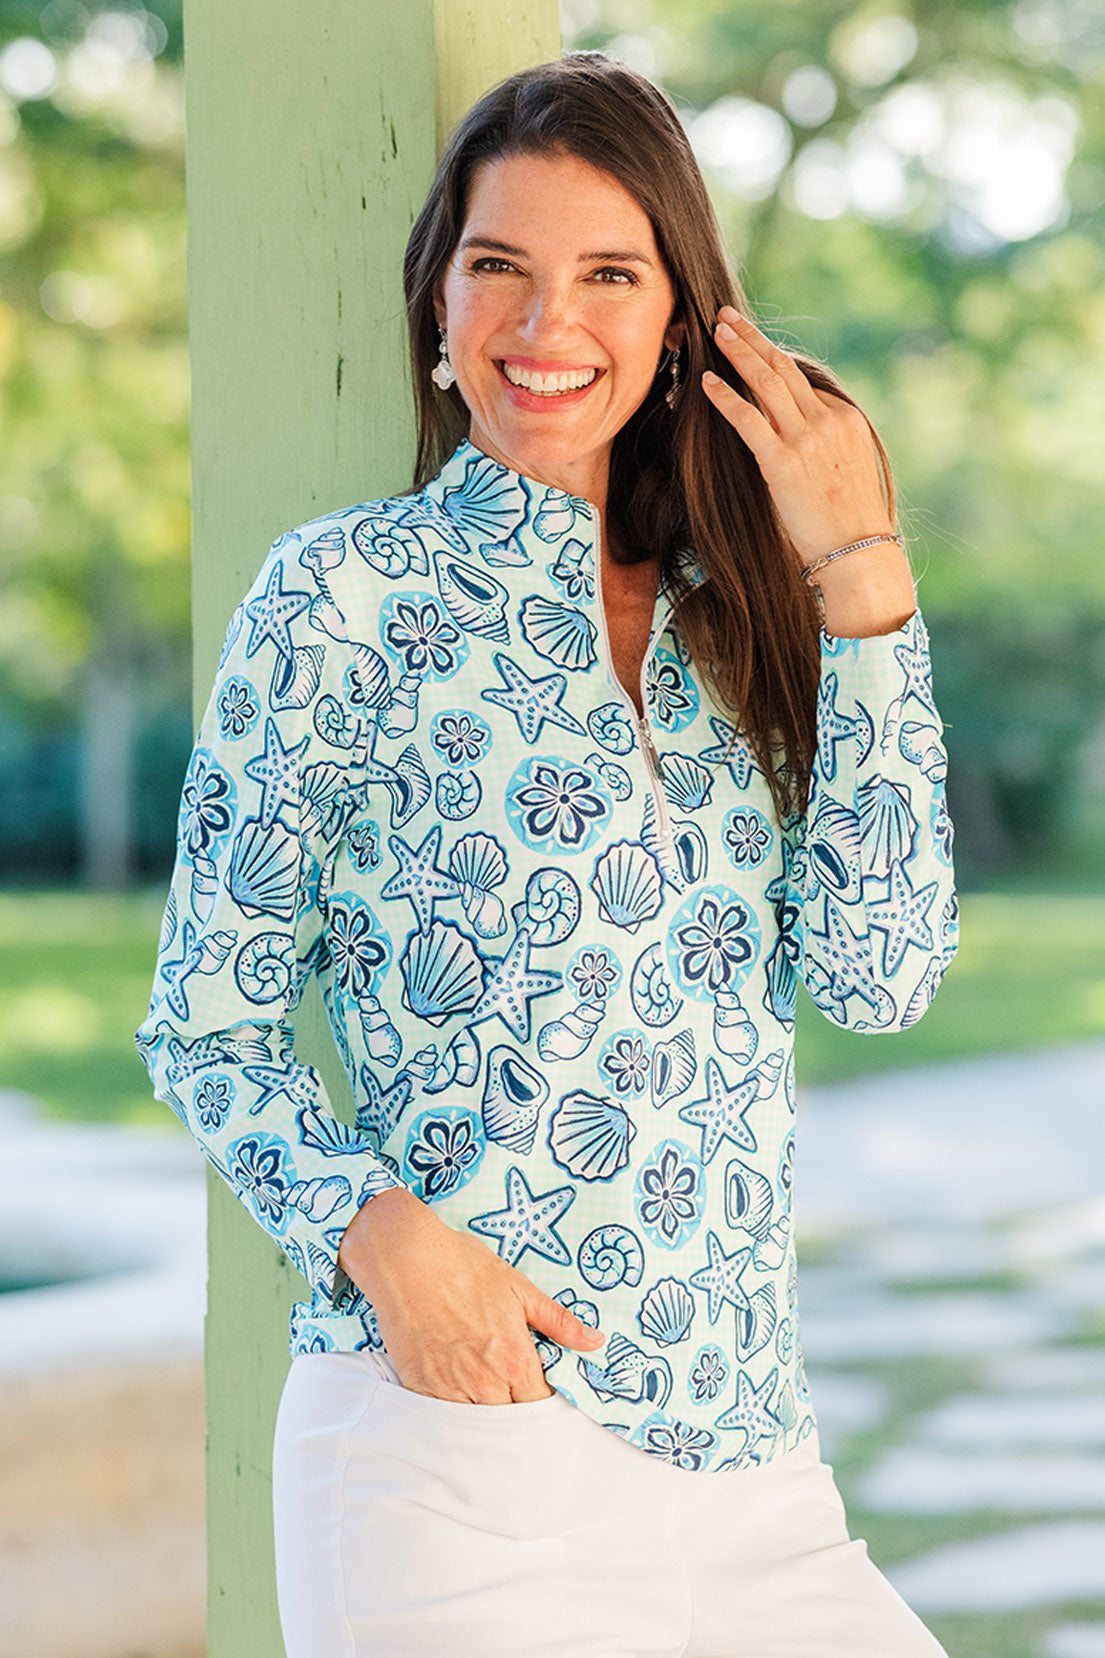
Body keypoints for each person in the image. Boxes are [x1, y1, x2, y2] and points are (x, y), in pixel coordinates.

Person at [137, 48, 958, 1658]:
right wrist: (382, 1242)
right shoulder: (340, 598)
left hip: (753, 1473)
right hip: (453, 1461)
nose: (544, 322)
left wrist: (862, 582)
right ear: (438, 300)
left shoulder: (742, 617)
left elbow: (880, 974)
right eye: (497, 265)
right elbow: (205, 1022)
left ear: (677, 322)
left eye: (607, 274)